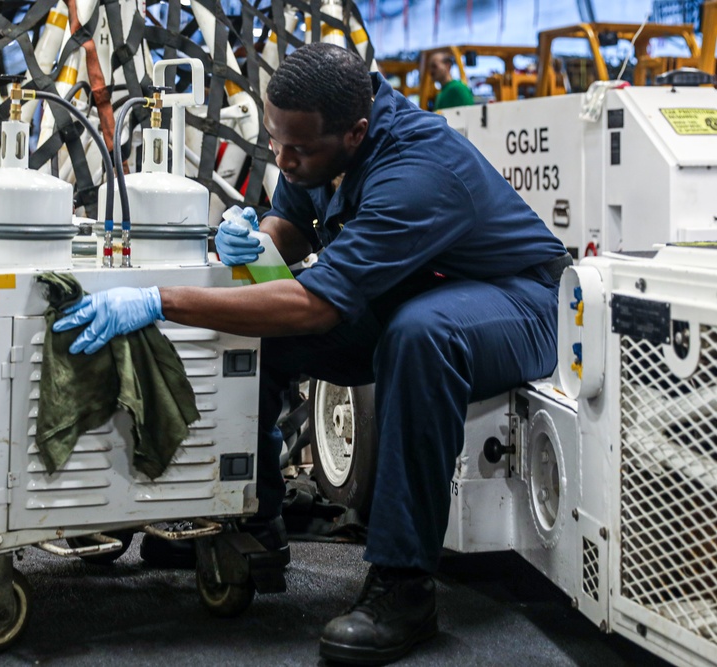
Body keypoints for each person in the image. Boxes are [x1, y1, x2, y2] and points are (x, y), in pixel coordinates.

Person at [53, 43, 570, 665]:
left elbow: (314, 307)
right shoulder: (319, 140)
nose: (282, 157)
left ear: (356, 132)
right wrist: (256, 237)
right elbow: (291, 222)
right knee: (269, 331)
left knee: (421, 334)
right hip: (418, 292)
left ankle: (404, 587)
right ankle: (254, 518)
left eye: (297, 149)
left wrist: (160, 300)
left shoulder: (418, 171)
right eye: (275, 140)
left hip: (524, 303)